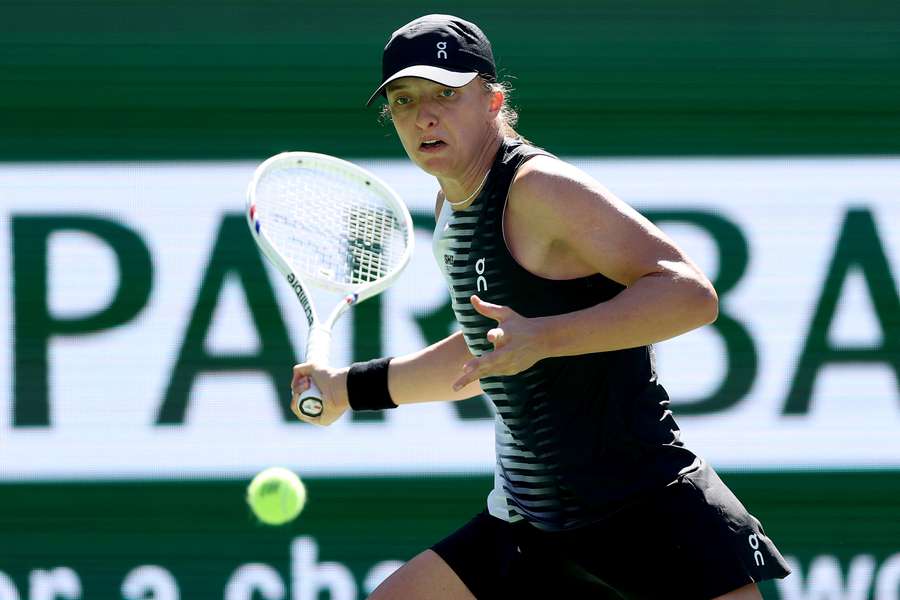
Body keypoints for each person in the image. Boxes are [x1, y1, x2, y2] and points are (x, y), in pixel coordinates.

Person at [290, 13, 791, 600]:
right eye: (404, 100)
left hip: (645, 506)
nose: (424, 114)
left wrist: (546, 337)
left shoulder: (538, 188)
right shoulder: (451, 211)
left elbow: (689, 293)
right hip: (532, 523)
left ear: (493, 100)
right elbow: (489, 353)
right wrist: (350, 389)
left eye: (446, 93)